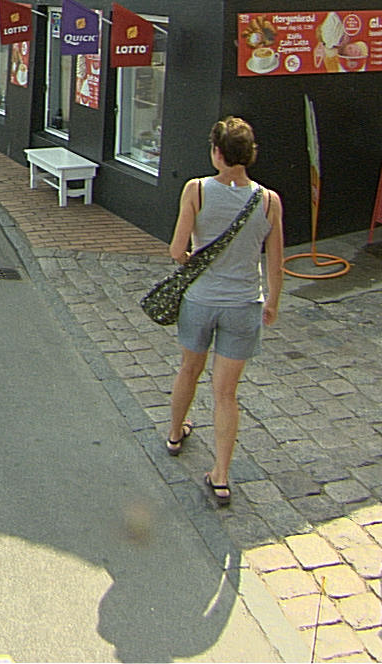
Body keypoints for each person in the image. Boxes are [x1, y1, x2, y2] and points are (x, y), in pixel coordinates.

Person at [164, 116, 284, 507]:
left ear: (217, 152)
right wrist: (273, 301)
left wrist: (192, 258)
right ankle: (221, 474)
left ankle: (175, 433)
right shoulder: (269, 201)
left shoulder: (196, 190)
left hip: (200, 299)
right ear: (250, 155)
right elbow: (276, 262)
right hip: (244, 304)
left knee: (189, 369)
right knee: (226, 393)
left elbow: (176, 250)